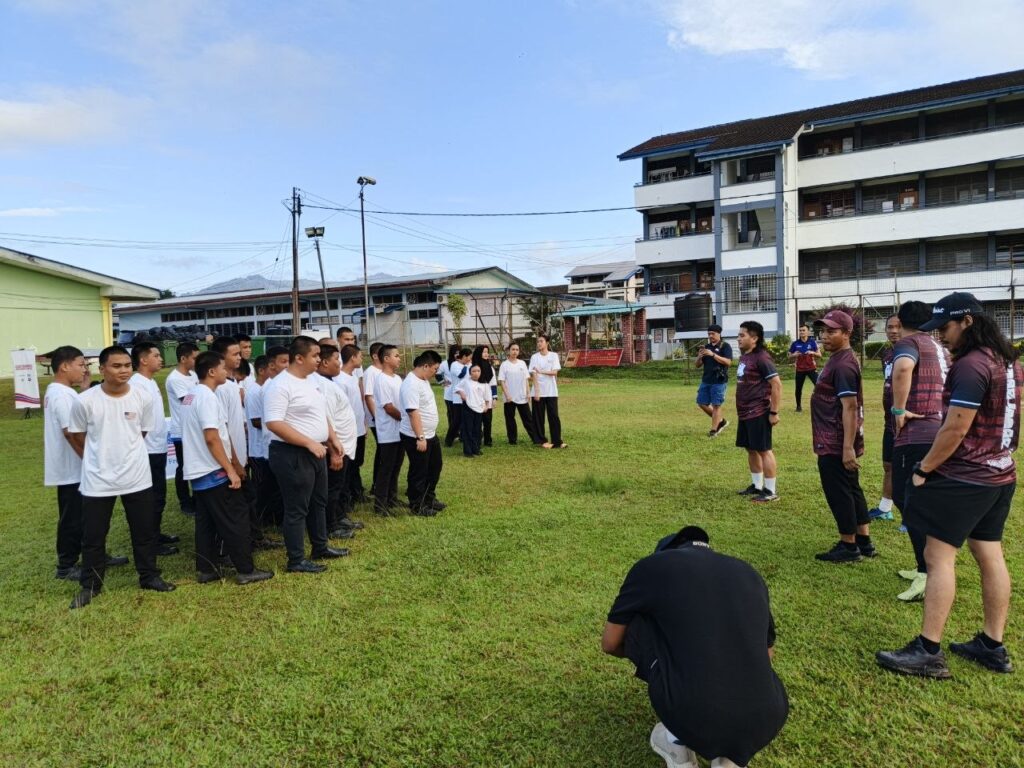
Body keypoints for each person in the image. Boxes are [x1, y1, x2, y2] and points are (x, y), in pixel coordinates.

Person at [877, 293, 1021, 678]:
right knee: (990, 556)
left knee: (938, 558)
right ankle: (992, 644)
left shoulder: (972, 365)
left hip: (965, 477)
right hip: (1000, 473)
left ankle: (928, 650)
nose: (941, 337)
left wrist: (924, 468)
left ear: (968, 322)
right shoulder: (1007, 361)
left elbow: (956, 426)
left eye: (945, 328)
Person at [602, 525, 788, 768]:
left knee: (638, 623)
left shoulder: (651, 566)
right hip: (767, 715)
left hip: (693, 711)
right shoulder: (748, 572)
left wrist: (661, 659)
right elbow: (767, 653)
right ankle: (729, 758)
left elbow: (609, 643)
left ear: (665, 552)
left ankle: (676, 745)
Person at [67, 345, 175, 609]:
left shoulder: (142, 397)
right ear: (102, 369)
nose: (124, 370)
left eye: (127, 365)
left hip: (137, 477)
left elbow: (143, 433)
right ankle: (90, 586)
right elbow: (77, 435)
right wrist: (98, 459)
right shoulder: (85, 401)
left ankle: (149, 576)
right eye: (116, 366)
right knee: (93, 536)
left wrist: (127, 456)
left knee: (144, 532)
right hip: (97, 480)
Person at [182, 350, 273, 585]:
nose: (226, 372)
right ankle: (245, 569)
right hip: (213, 471)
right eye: (223, 368)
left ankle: (207, 568)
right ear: (212, 371)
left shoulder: (193, 395)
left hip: (199, 470)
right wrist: (230, 469)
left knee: (206, 522)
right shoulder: (207, 398)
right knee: (236, 519)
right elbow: (212, 438)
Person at [265, 336, 349, 573]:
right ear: (299, 358)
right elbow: (274, 423)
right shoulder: (280, 385)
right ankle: (296, 559)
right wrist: (309, 442)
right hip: (292, 454)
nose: (319, 360)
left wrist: (332, 438)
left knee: (318, 502)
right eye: (314, 356)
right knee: (297, 508)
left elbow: (321, 413)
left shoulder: (311, 380)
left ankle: (320, 546)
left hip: (317, 450)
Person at [887, 301, 952, 602]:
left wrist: (899, 408)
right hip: (938, 431)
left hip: (916, 435)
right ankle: (924, 566)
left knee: (908, 501)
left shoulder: (909, 343)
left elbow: (902, 368)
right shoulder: (941, 348)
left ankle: (928, 573)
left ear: (900, 321)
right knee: (919, 503)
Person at [811, 310, 875, 563]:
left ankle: (848, 547)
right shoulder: (840, 358)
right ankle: (864, 541)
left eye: (831, 331)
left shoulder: (843, 364)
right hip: (836, 437)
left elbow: (850, 406)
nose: (824, 336)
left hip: (835, 440)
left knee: (839, 492)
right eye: (823, 331)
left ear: (847, 334)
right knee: (851, 488)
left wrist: (847, 447)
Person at [43, 345, 90, 580]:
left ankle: (91, 553)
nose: (85, 370)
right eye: (81, 365)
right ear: (64, 366)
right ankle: (66, 565)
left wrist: (82, 390)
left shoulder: (64, 392)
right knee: (72, 517)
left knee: (85, 515)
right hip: (73, 469)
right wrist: (88, 459)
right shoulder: (61, 394)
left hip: (74, 467)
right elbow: (70, 432)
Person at [129, 342, 180, 555]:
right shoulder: (136, 384)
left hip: (158, 447)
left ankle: (155, 534)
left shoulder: (148, 382)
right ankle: (150, 542)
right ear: (143, 359)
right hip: (147, 451)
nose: (161, 359)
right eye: (156, 355)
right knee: (150, 498)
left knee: (158, 496)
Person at [734, 321, 782, 502]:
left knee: (764, 450)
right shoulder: (746, 356)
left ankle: (770, 491)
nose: (738, 338)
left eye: (742, 335)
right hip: (744, 412)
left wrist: (774, 412)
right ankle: (757, 485)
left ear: (754, 338)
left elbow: (776, 384)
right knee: (750, 448)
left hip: (759, 411)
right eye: (739, 335)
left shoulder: (762, 358)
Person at [316, 344, 359, 539]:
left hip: (344, 446)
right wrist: (333, 450)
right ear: (325, 362)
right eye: (336, 359)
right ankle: (330, 526)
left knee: (340, 486)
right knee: (332, 488)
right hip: (336, 447)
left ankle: (339, 517)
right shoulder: (322, 386)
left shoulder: (329, 382)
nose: (339, 364)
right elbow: (327, 420)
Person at [400, 350, 445, 515]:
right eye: (434, 369)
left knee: (435, 467)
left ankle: (429, 498)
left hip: (429, 434)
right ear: (425, 366)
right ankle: (417, 505)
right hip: (416, 436)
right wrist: (420, 437)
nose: (435, 373)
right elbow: (413, 412)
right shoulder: (411, 384)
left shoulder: (423, 380)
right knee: (419, 470)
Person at [869, 315, 902, 522]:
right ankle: (885, 508)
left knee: (910, 468)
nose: (893, 331)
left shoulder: (914, 352)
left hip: (907, 422)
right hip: (889, 420)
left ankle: (913, 517)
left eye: (898, 327)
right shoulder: (888, 354)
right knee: (888, 465)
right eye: (890, 327)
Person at [165, 341, 199, 516]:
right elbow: (187, 401)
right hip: (181, 431)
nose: (197, 360)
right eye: (194, 357)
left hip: (193, 429)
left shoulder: (193, 374)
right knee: (183, 467)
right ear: (183, 358)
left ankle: (196, 498)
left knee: (195, 464)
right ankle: (185, 502)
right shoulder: (175, 378)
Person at [336, 345, 368, 522]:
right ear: (352, 358)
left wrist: (362, 423)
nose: (362, 359)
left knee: (356, 465)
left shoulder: (352, 378)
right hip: (347, 432)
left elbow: (357, 405)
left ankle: (354, 495)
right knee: (346, 471)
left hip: (358, 429)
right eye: (360, 356)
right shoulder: (340, 380)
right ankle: (344, 503)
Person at [372, 344, 405, 515]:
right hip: (388, 432)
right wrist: (405, 419)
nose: (399, 358)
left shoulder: (397, 378)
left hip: (399, 431)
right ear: (386, 358)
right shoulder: (381, 379)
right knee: (386, 468)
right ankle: (380, 504)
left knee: (396, 466)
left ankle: (392, 498)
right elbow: (389, 407)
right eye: (396, 355)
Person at [695, 324, 733, 437]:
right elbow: (697, 365)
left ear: (719, 334)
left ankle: (713, 430)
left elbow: (728, 362)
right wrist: (699, 356)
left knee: (716, 405)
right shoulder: (706, 347)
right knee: (701, 403)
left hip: (719, 381)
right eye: (709, 334)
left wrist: (713, 355)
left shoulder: (725, 346)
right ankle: (721, 421)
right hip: (706, 380)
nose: (710, 336)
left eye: (713, 334)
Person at [530, 334, 566, 449]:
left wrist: (542, 371)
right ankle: (542, 441)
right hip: (538, 391)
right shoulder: (534, 357)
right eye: (538, 341)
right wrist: (537, 392)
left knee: (554, 416)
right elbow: (533, 374)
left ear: (547, 343)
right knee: (538, 417)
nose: (539, 343)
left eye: (541, 341)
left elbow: (555, 372)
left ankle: (557, 441)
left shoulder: (553, 356)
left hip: (551, 391)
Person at [498, 342, 538, 445]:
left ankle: (535, 438)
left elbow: (526, 379)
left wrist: (528, 393)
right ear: (509, 351)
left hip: (522, 396)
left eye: (517, 350)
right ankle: (512, 440)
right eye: (513, 349)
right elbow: (502, 381)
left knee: (528, 419)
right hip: (510, 397)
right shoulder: (504, 365)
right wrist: (507, 395)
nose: (515, 351)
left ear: (519, 351)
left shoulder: (522, 363)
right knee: (510, 419)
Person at [363, 341, 385, 490]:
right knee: (384, 451)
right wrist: (377, 417)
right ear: (376, 356)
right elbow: (368, 396)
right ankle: (377, 485)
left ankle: (379, 484)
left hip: (385, 419)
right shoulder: (371, 372)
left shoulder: (382, 372)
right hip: (378, 420)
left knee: (384, 451)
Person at [457, 364, 492, 457]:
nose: (476, 373)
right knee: (468, 429)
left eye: (478, 371)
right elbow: (457, 388)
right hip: (468, 407)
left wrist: (487, 406)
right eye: (474, 371)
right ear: (470, 373)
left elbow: (488, 396)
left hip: (479, 409)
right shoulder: (466, 381)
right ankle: (468, 451)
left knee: (477, 430)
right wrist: (461, 393)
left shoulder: (484, 383)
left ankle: (476, 449)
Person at [788, 324, 820, 412]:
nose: (801, 332)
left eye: (803, 330)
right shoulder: (795, 343)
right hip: (800, 369)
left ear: (808, 332)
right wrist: (794, 355)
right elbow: (789, 356)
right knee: (798, 388)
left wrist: (811, 352)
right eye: (800, 330)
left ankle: (820, 405)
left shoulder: (812, 342)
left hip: (811, 368)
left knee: (819, 386)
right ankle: (798, 407)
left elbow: (819, 355)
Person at [444, 347, 472, 447]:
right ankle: (448, 440)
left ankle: (466, 438)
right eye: (469, 357)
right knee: (456, 420)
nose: (470, 359)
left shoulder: (469, 365)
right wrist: (466, 366)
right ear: (464, 356)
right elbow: (461, 375)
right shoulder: (454, 364)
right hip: (457, 398)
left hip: (468, 397)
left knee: (468, 420)